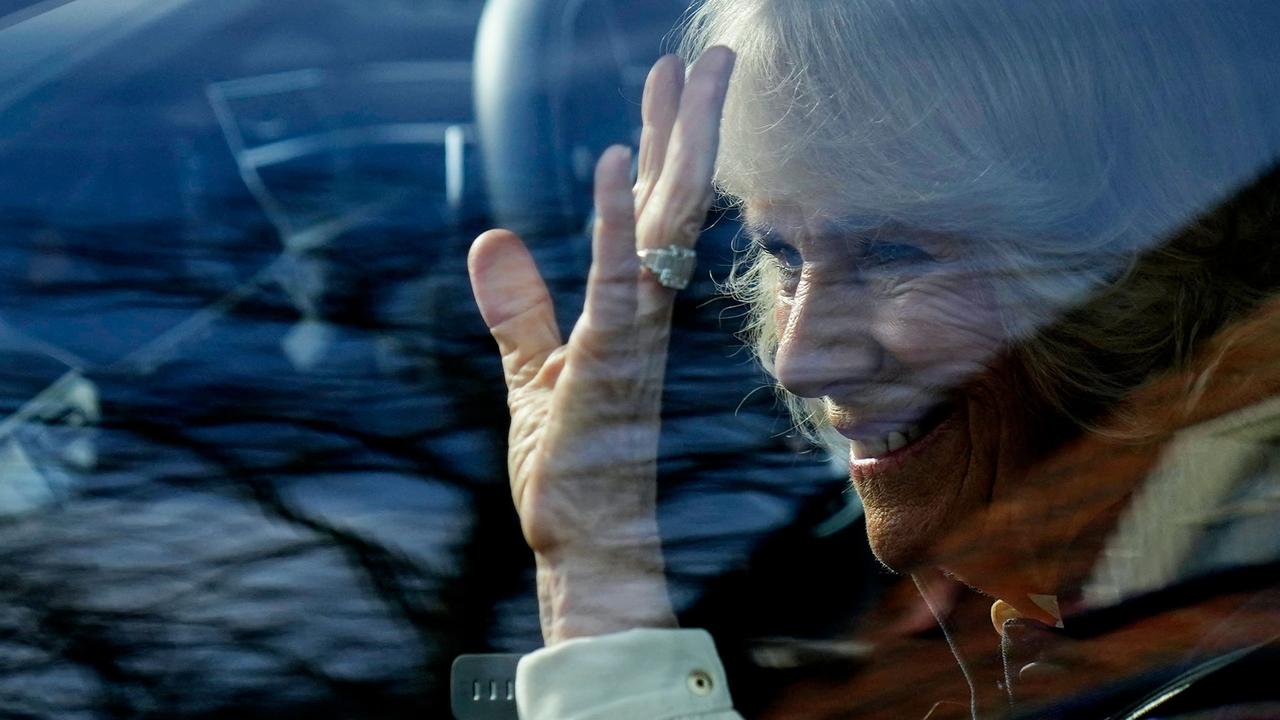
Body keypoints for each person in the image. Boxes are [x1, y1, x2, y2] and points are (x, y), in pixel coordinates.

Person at [467, 1, 1280, 717]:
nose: (798, 359)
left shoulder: (1234, 645)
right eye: (781, 252)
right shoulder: (1004, 602)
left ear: (1133, 270)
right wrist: (594, 554)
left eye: (894, 251)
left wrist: (601, 597)